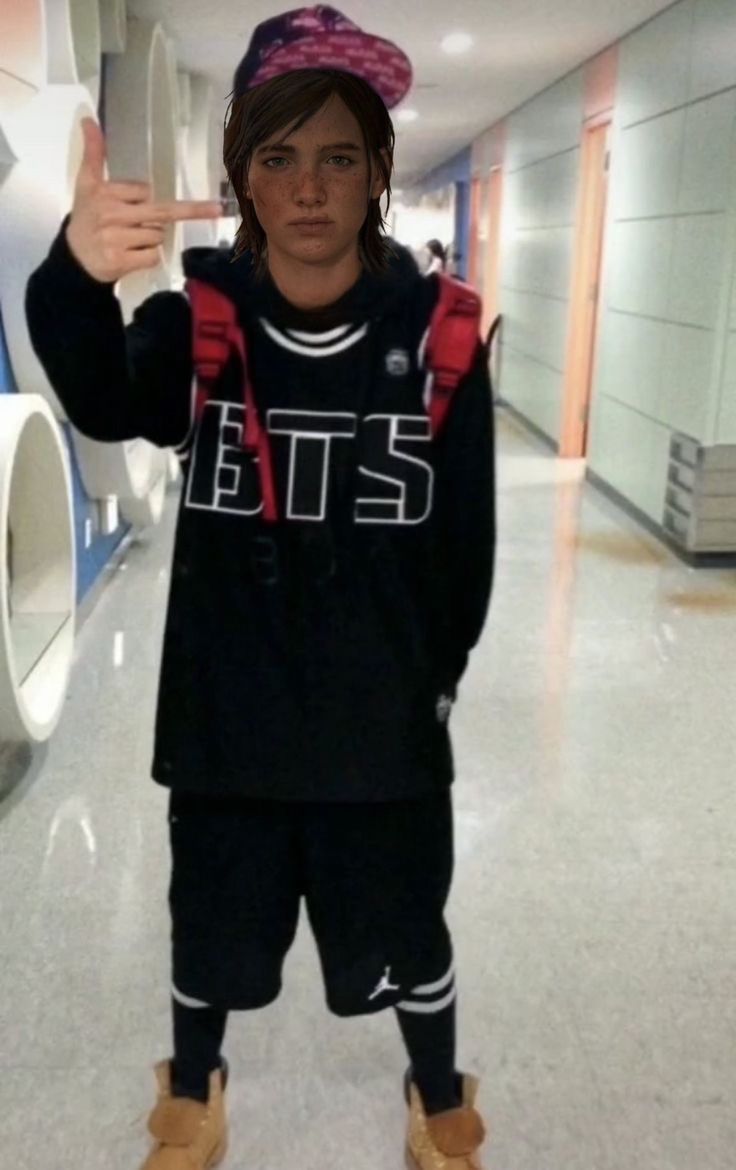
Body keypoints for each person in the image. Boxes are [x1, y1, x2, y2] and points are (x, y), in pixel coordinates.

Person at [25, 6, 496, 1169]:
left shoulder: (440, 335)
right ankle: (193, 1086)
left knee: (401, 924)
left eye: (339, 154)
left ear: (378, 171)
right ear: (240, 171)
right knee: (216, 928)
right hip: (229, 720)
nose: (307, 186)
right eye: (276, 156)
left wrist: (428, 687)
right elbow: (100, 402)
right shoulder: (202, 325)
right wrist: (76, 280)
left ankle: (436, 1091)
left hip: (379, 728)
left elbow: (466, 547)